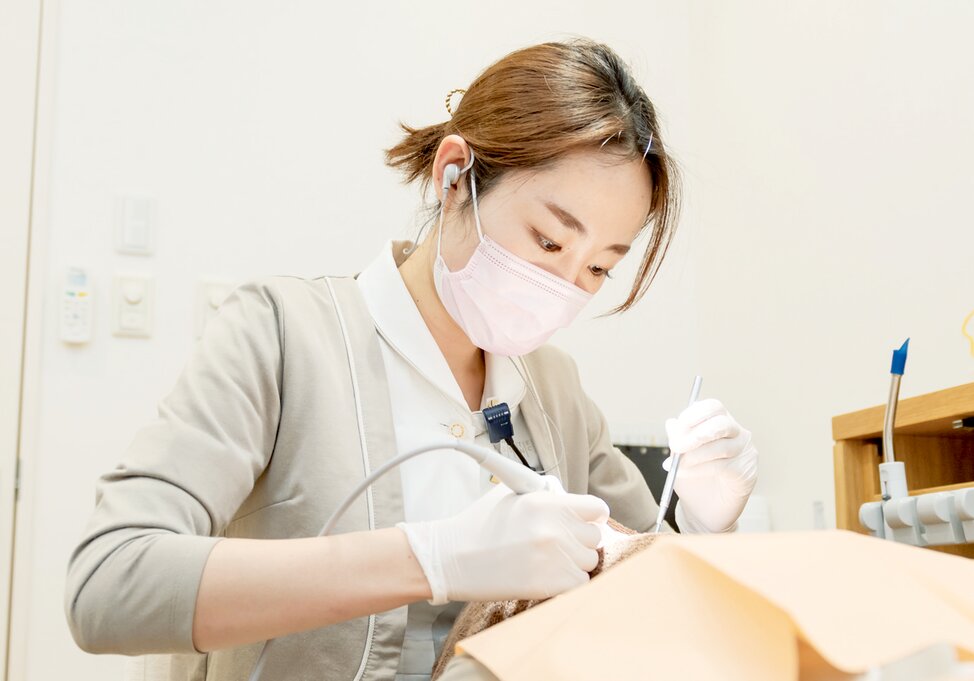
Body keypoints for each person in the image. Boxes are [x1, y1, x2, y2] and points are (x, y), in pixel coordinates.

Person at [64, 38, 758, 681]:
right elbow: (108, 584)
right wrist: (430, 557)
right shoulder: (281, 334)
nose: (563, 286)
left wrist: (702, 520)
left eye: (598, 268)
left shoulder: (554, 392)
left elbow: (652, 587)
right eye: (549, 241)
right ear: (455, 176)